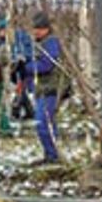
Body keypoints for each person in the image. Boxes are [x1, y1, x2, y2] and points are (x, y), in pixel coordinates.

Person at [29, 11, 65, 165]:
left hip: (51, 88)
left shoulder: (51, 43)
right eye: (35, 28)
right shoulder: (39, 43)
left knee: (42, 123)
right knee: (47, 123)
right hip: (42, 89)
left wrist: (26, 67)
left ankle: (53, 155)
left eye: (40, 28)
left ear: (46, 29)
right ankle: (52, 154)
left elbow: (46, 65)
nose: (36, 31)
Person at [9, 16, 36, 122]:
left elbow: (23, 51)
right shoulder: (17, 36)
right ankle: (27, 111)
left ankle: (18, 111)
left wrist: (19, 59)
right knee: (21, 89)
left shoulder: (20, 37)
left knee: (21, 88)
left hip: (21, 66)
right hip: (18, 66)